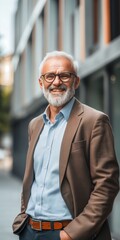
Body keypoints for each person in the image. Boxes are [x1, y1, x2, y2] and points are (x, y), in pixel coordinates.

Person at [12, 51, 119, 240]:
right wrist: (23, 219)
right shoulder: (35, 125)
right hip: (29, 231)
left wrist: (70, 234)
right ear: (41, 82)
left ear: (76, 81)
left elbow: (107, 184)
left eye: (64, 75)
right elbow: (32, 179)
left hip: (69, 233)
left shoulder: (94, 121)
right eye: (50, 76)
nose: (56, 82)